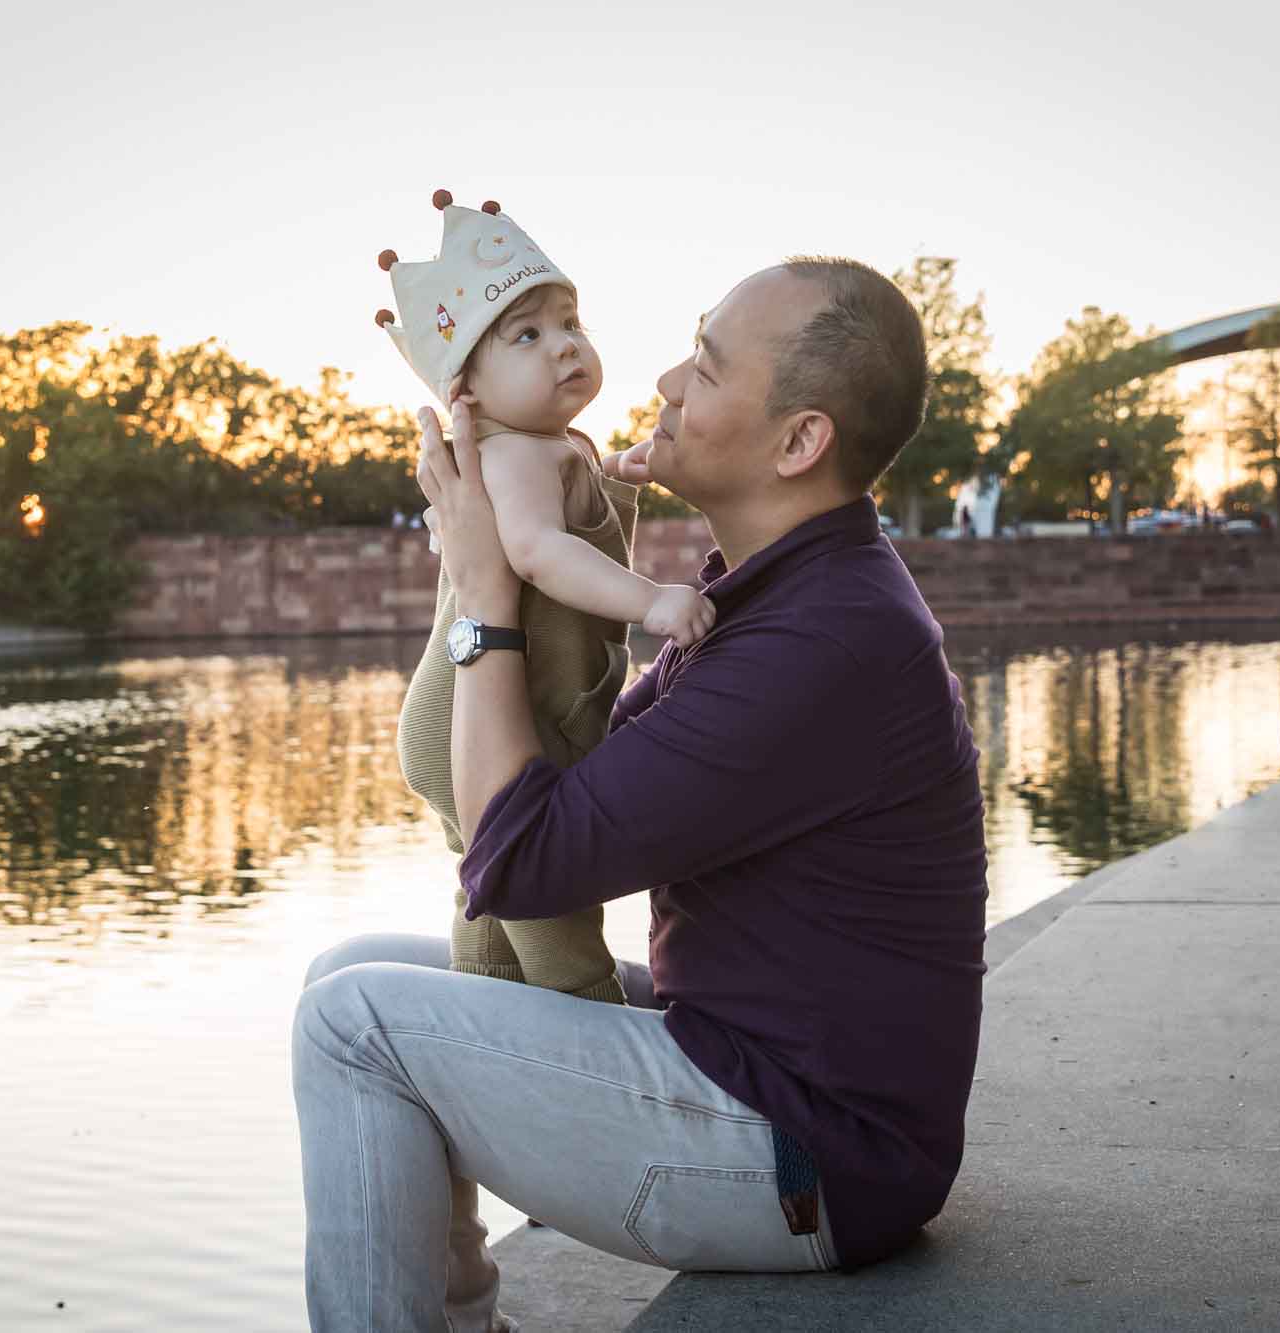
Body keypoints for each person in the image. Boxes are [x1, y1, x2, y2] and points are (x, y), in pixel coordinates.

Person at [295, 257, 988, 1331]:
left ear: (798, 442)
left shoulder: (817, 645)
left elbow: (516, 863)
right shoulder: (783, 595)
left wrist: (486, 591)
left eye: (705, 370)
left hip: (807, 1157)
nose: (663, 379)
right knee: (353, 971)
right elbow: (588, 789)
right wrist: (540, 531)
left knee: (351, 1024)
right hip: (759, 1080)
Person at [377, 189, 714, 1005]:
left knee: (489, 892)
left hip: (464, 712)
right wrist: (653, 601)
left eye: (572, 324)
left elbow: (575, 524)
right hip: (497, 710)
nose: (565, 347)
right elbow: (536, 553)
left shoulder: (547, 445)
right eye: (528, 335)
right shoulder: (516, 455)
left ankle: (489, 1009)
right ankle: (588, 1016)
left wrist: (621, 480)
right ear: (468, 393)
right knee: (555, 913)